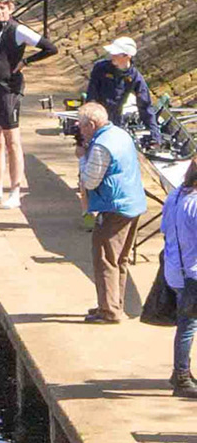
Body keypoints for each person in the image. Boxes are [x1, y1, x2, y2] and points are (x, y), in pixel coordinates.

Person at [0, 0, 55, 206]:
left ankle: (15, 192)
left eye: (3, 8)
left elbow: (50, 48)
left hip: (8, 92)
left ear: (10, 9)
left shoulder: (17, 30)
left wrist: (25, 61)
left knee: (12, 142)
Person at [76, 100, 146, 321]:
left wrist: (81, 158)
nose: (79, 129)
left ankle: (108, 311)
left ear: (93, 124)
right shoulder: (120, 134)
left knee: (105, 258)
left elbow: (90, 181)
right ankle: (114, 303)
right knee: (120, 259)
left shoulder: (100, 146)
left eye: (81, 125)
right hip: (133, 204)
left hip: (115, 208)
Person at [162, 164, 197, 395]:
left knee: (187, 324)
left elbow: (164, 229)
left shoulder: (174, 195)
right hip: (192, 274)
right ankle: (181, 376)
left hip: (174, 270)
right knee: (188, 325)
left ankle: (180, 372)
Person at [84, 36, 158, 141]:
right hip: (96, 116)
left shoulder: (135, 77)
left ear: (127, 56)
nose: (112, 56)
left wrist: (154, 134)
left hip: (116, 118)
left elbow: (145, 106)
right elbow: (92, 94)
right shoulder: (100, 68)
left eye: (116, 54)